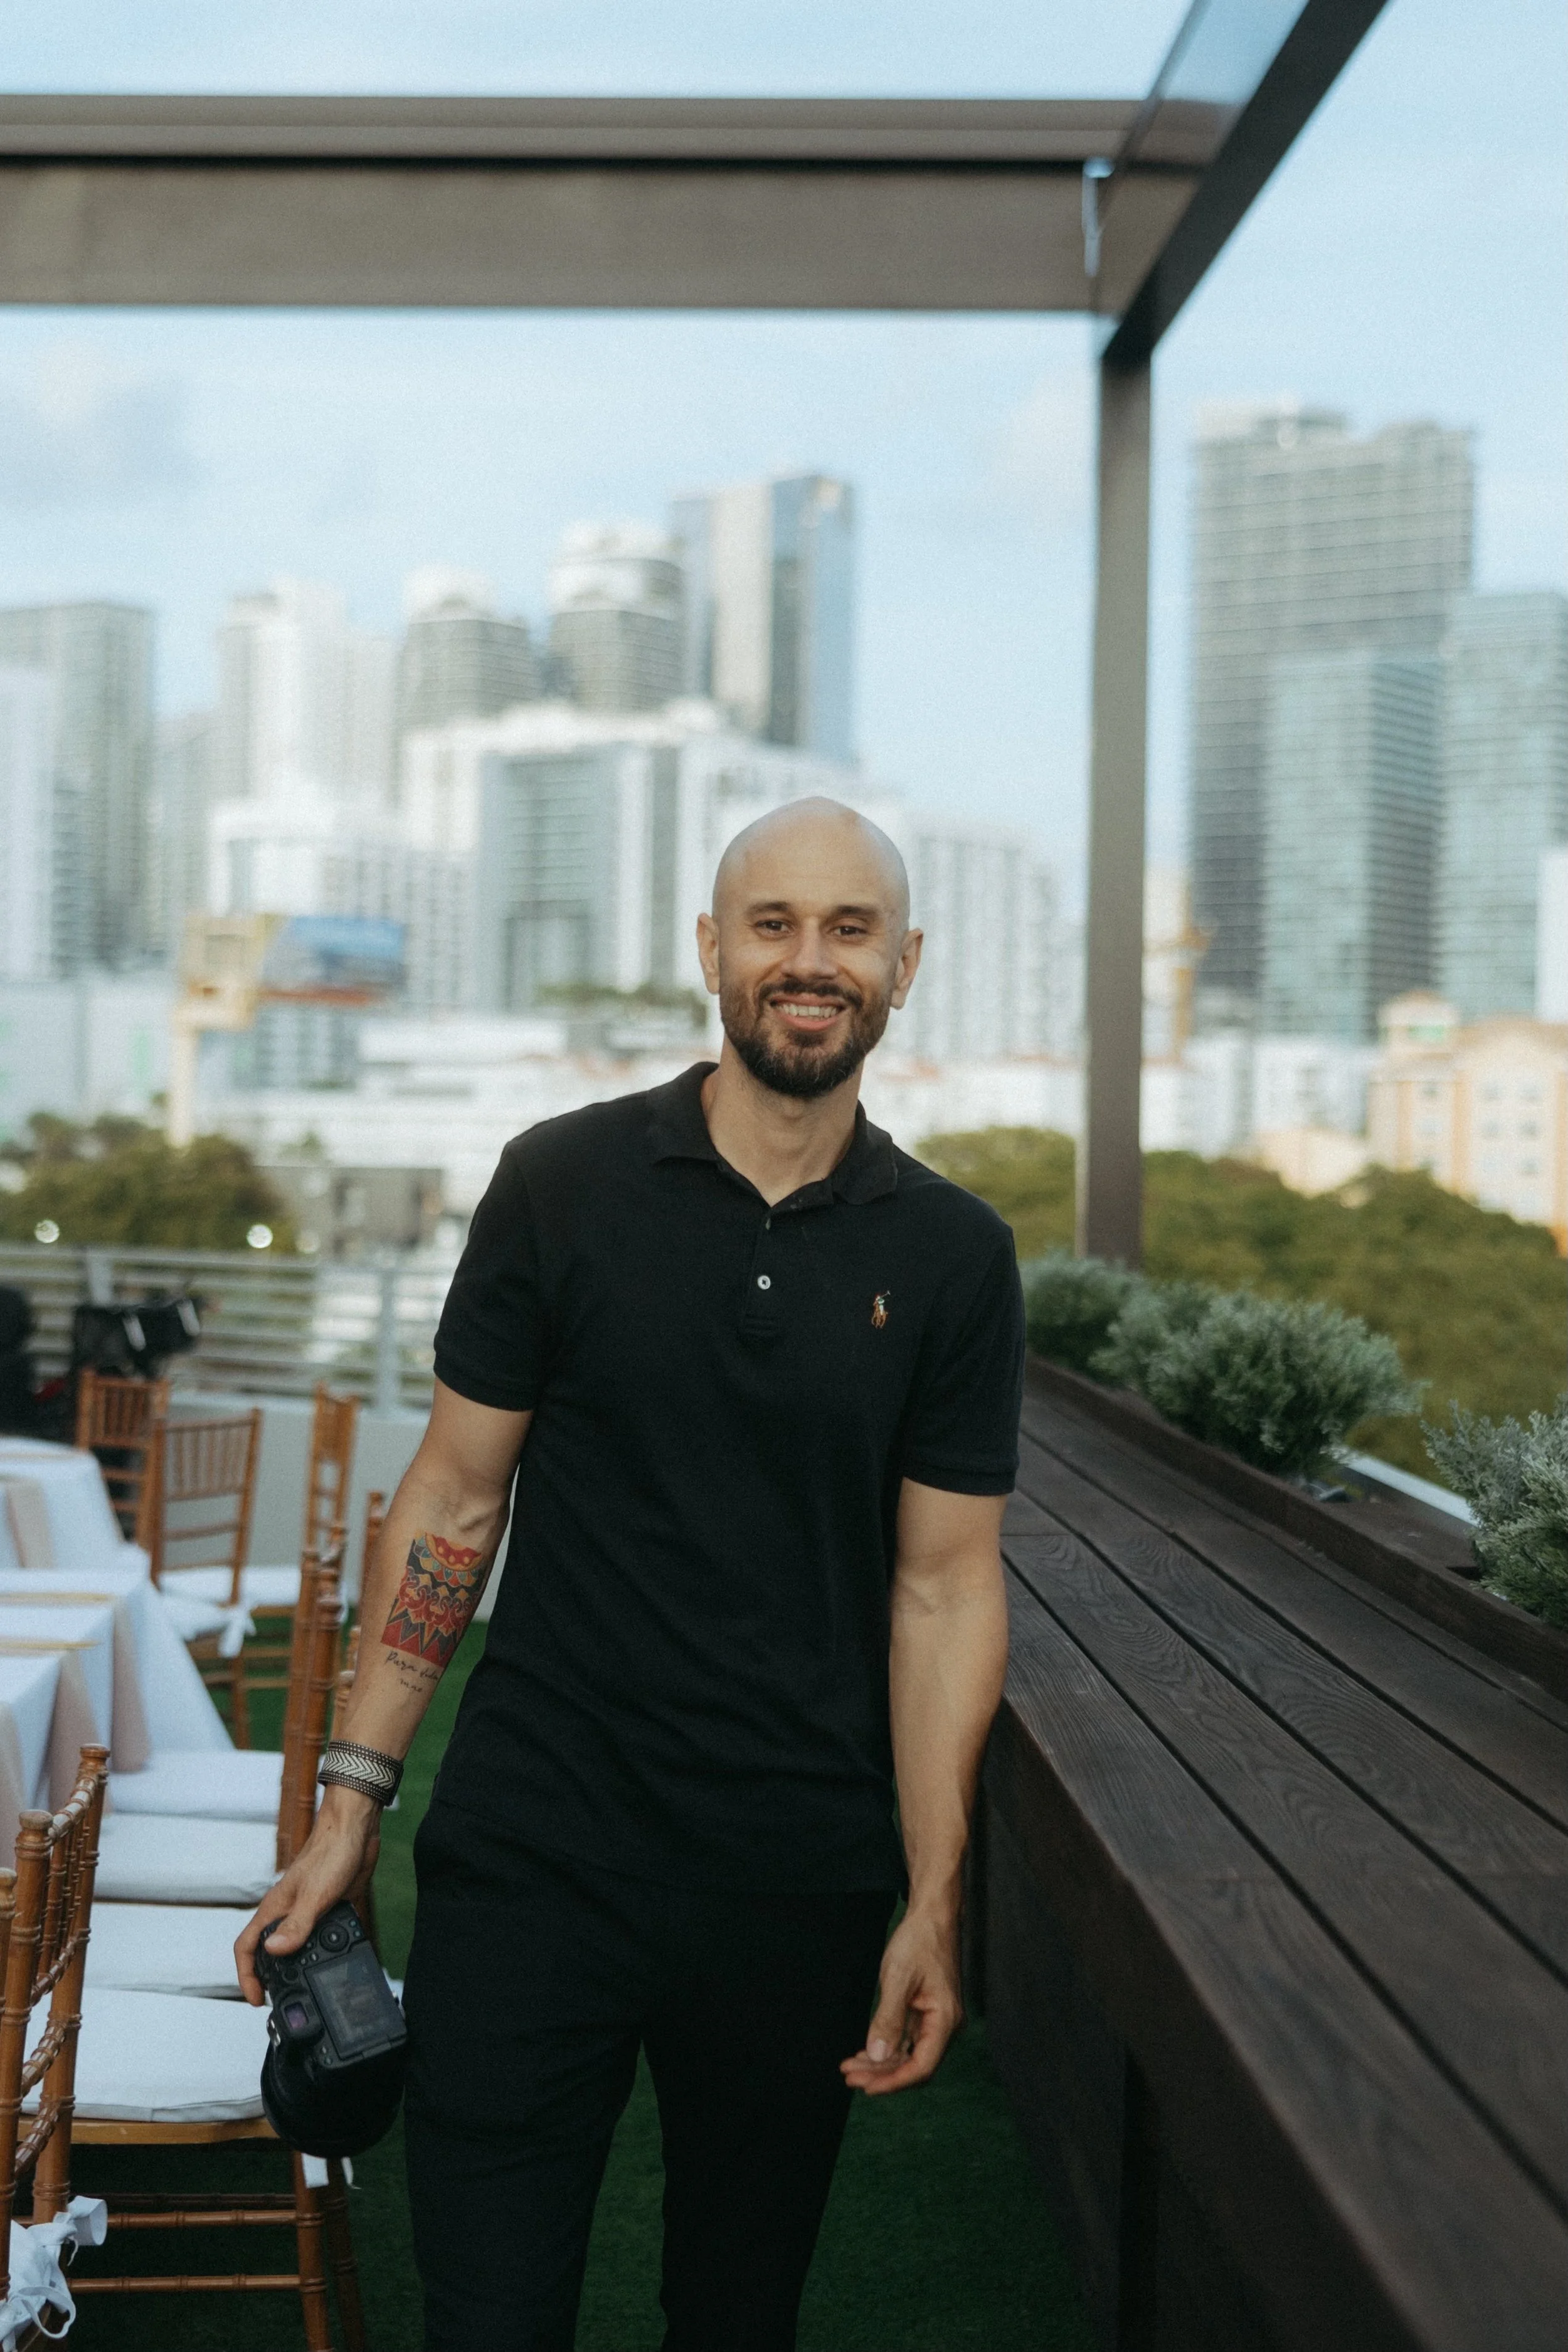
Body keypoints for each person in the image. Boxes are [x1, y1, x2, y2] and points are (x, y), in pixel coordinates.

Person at [237, 795, 1024, 2352]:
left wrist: (933, 1899)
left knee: (735, 2322)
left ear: (905, 964)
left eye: (849, 929)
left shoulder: (952, 1255)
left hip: (796, 1879)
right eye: (774, 925)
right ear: (711, 952)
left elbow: (944, 1590)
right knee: (487, 2317)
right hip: (537, 1858)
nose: (810, 961)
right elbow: (452, 1505)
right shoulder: (561, 1182)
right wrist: (348, 1812)